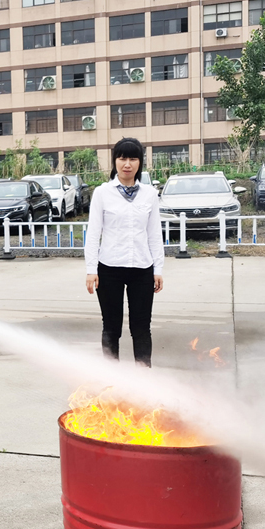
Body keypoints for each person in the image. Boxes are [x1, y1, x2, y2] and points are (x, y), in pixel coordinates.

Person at [84, 137, 165, 367]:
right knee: (111, 326)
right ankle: (113, 380)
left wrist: (158, 269)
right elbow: (93, 234)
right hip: (109, 268)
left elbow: (154, 234)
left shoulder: (149, 194)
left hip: (142, 269)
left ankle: (143, 380)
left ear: (140, 163)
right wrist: (91, 269)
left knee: (141, 328)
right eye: (122, 158)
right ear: (115, 161)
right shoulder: (102, 193)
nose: (127, 163)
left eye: (132, 158)